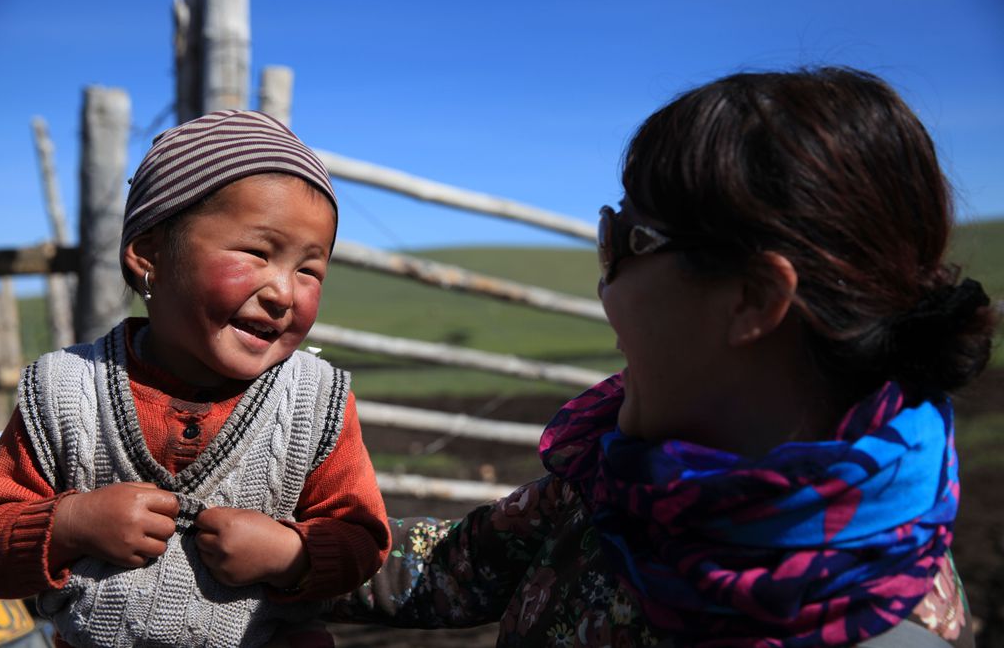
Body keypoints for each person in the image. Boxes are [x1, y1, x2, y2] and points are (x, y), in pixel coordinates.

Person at [324, 68, 994, 647]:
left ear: (753, 298)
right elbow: (456, 566)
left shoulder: (889, 623)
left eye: (624, 241)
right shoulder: (617, 479)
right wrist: (300, 553)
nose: (604, 285)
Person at [0, 110, 391, 648]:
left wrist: (292, 555)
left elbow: (362, 540)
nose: (284, 292)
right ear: (148, 254)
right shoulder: (65, 391)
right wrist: (70, 524)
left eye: (309, 270)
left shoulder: (315, 404)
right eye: (257, 253)